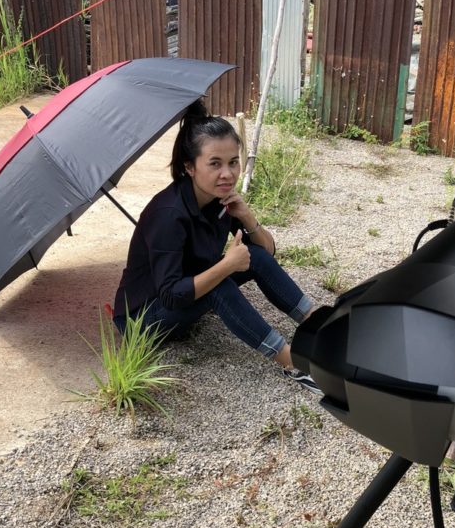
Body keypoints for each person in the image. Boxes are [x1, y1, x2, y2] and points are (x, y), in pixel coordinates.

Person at [113, 99, 321, 394]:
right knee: (220, 286)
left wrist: (248, 218)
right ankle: (292, 362)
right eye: (215, 164)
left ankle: (316, 323)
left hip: (188, 291)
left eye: (233, 162)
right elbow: (172, 295)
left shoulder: (217, 199)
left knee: (254, 256)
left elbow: (267, 253)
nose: (227, 173)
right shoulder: (168, 216)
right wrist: (226, 266)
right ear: (189, 167)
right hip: (143, 319)